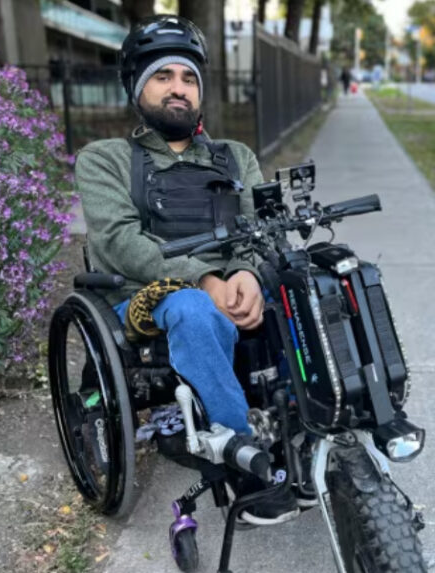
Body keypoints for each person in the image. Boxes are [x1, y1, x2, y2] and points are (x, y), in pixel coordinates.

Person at [74, 15, 298, 525]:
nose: (179, 88)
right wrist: (204, 279)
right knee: (194, 308)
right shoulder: (105, 159)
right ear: (137, 88)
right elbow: (119, 242)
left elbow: (260, 228)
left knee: (310, 278)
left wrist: (249, 273)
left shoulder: (236, 157)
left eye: (189, 78)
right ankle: (244, 460)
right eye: (163, 76)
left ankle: (322, 424)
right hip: (145, 297)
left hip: (229, 288)